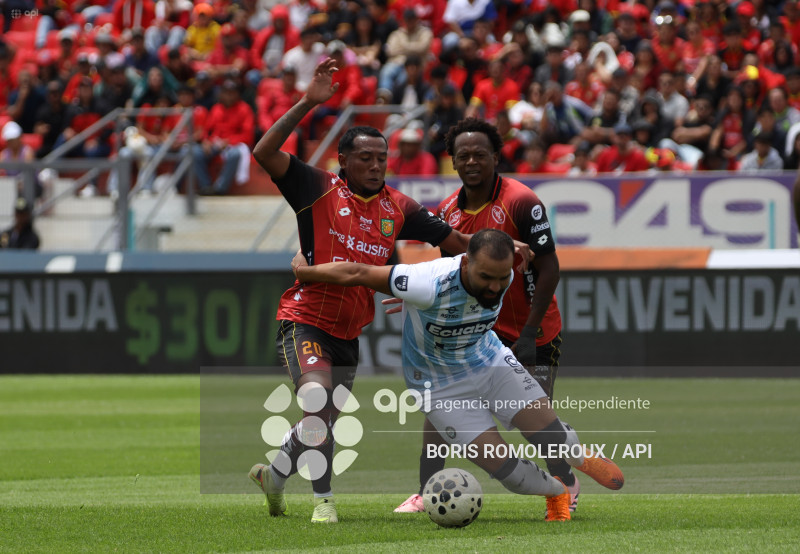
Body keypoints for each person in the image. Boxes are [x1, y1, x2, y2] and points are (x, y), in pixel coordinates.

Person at [247, 58, 490, 524]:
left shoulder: (399, 207)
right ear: (343, 161)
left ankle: (275, 474)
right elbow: (264, 152)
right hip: (304, 318)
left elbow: (456, 243)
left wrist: (496, 250)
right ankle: (324, 502)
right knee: (318, 403)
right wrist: (308, 101)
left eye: (382, 158)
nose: (376, 166)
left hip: (350, 330)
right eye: (366, 158)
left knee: (322, 421)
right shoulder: (316, 187)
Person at [290, 229, 624, 523]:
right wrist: (306, 272)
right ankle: (557, 492)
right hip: (440, 387)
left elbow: (508, 255)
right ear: (465, 263)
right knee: (510, 474)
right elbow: (357, 272)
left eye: (502, 278)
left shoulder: (506, 269)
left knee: (553, 438)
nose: (495, 286)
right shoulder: (425, 282)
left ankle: (580, 456)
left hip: (490, 360)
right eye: (486, 277)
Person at [395, 118, 576, 513]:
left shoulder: (521, 200)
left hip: (532, 330)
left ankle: (564, 489)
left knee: (537, 421)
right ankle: (427, 491)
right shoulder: (447, 211)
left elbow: (550, 268)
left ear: (496, 156)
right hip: (477, 333)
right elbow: (451, 274)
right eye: (463, 156)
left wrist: (529, 332)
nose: (472, 161)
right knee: (440, 413)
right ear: (453, 161)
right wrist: (415, 295)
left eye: (480, 154)